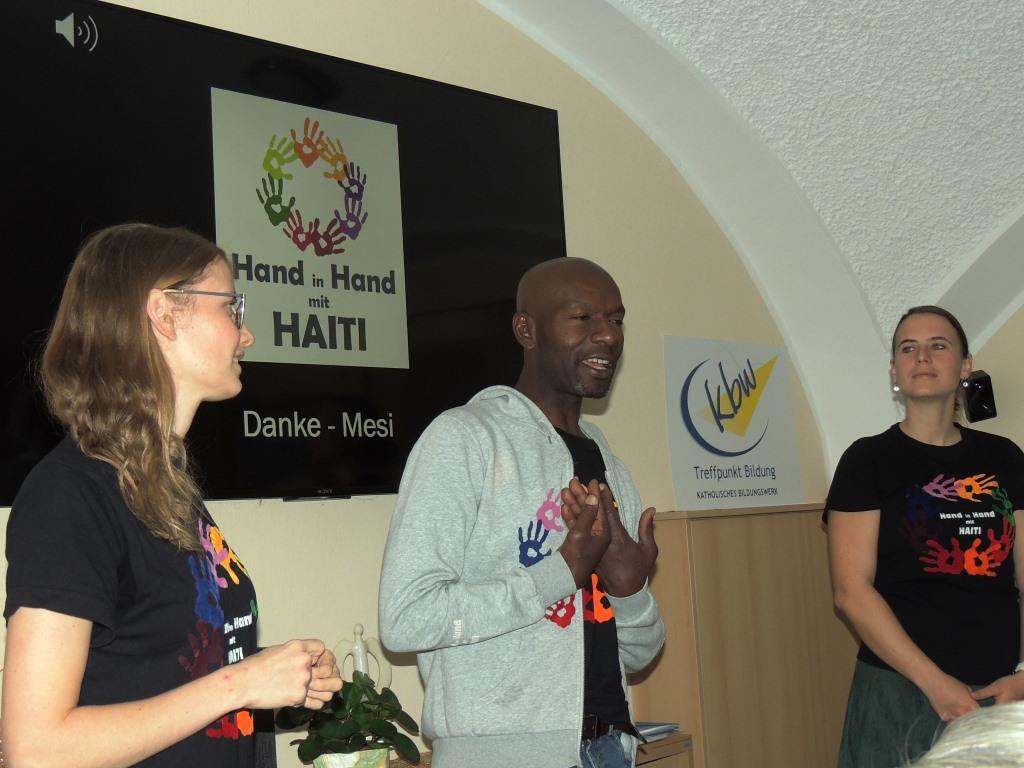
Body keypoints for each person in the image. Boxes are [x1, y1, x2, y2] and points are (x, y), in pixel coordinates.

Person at [1, 223, 342, 768]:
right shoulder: (70, 495)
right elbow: (36, 749)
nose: (247, 335)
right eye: (231, 307)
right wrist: (240, 684)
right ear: (163, 313)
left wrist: (273, 672)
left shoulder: (165, 487)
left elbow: (161, 668)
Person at [378, 257, 665, 768]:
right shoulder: (464, 440)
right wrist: (561, 572)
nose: (608, 336)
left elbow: (640, 655)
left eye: (616, 320)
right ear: (526, 330)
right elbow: (405, 619)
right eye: (583, 318)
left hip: (609, 749)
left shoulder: (610, 467)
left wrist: (630, 593)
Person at [826, 305, 1024, 768]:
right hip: (899, 688)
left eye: (938, 346)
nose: (922, 358)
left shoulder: (1006, 458)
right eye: (907, 348)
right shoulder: (866, 461)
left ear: (965, 365)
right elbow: (851, 592)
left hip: (1001, 689)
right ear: (894, 371)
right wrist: (936, 684)